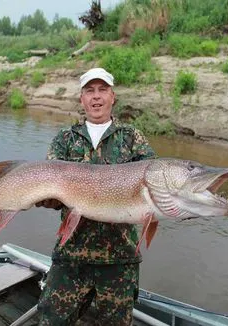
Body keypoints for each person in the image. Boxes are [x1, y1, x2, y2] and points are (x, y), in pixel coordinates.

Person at [36, 67, 156, 325]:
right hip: (71, 256)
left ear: (113, 97)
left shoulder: (132, 138)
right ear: (81, 99)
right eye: (90, 91)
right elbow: (51, 189)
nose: (96, 97)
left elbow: (156, 184)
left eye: (103, 90)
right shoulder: (65, 139)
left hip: (119, 260)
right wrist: (46, 197)